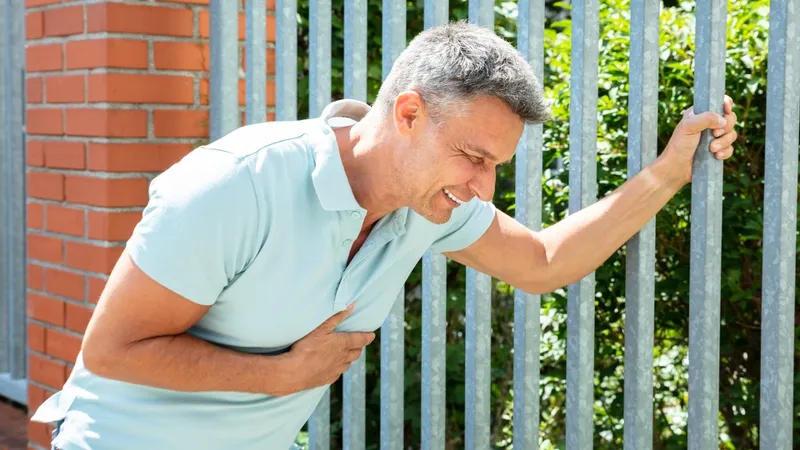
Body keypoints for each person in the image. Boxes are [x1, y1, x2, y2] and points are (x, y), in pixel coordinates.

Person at [32, 21, 738, 449]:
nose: (482, 187)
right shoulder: (235, 185)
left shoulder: (428, 201)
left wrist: (669, 173)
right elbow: (113, 349)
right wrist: (279, 376)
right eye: (474, 157)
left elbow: (543, 262)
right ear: (407, 113)